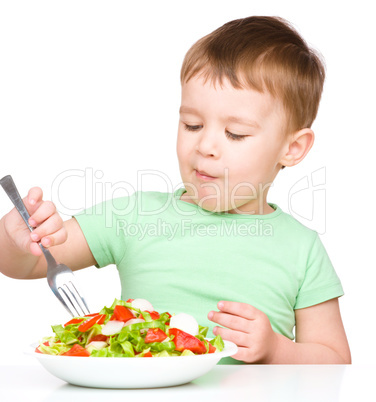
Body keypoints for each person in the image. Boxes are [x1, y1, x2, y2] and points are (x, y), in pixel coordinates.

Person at [0, 16, 351, 364]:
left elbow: (335, 361)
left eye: (236, 133)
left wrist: (277, 351)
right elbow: (27, 266)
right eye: (192, 125)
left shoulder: (302, 249)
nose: (206, 146)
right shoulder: (134, 217)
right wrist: (16, 237)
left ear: (292, 148)